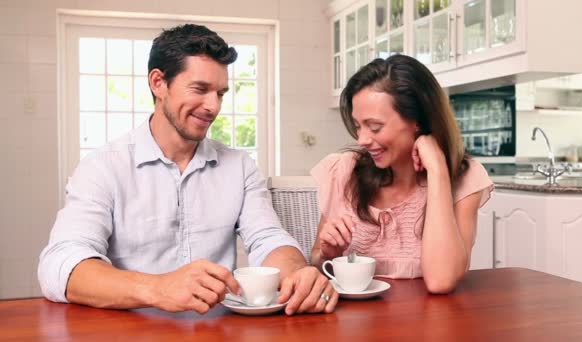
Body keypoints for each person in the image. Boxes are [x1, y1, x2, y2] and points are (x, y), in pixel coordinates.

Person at [38, 24, 337, 315]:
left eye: (220, 93)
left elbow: (268, 238)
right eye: (200, 89)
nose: (213, 106)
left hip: (216, 332)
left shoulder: (240, 167)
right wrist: (158, 288)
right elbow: (60, 264)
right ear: (158, 83)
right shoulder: (102, 167)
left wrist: (297, 272)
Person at [309, 55, 494, 294]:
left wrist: (437, 170)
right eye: (358, 126)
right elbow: (315, 260)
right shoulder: (344, 172)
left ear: (417, 120)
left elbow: (441, 281)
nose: (362, 139)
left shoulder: (465, 179)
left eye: (375, 127)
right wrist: (327, 255)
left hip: (429, 326)